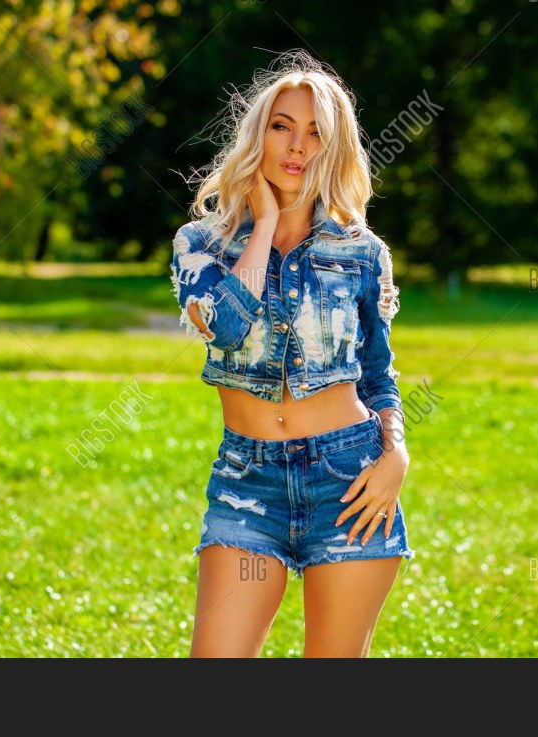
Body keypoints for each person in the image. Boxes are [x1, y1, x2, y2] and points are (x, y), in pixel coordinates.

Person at [170, 51, 414, 658]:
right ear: (259, 133)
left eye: (315, 133)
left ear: (333, 148)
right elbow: (225, 329)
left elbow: (379, 377)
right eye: (283, 126)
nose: (297, 146)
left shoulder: (361, 252)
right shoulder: (201, 245)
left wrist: (397, 454)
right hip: (247, 479)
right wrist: (264, 222)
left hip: (350, 479)